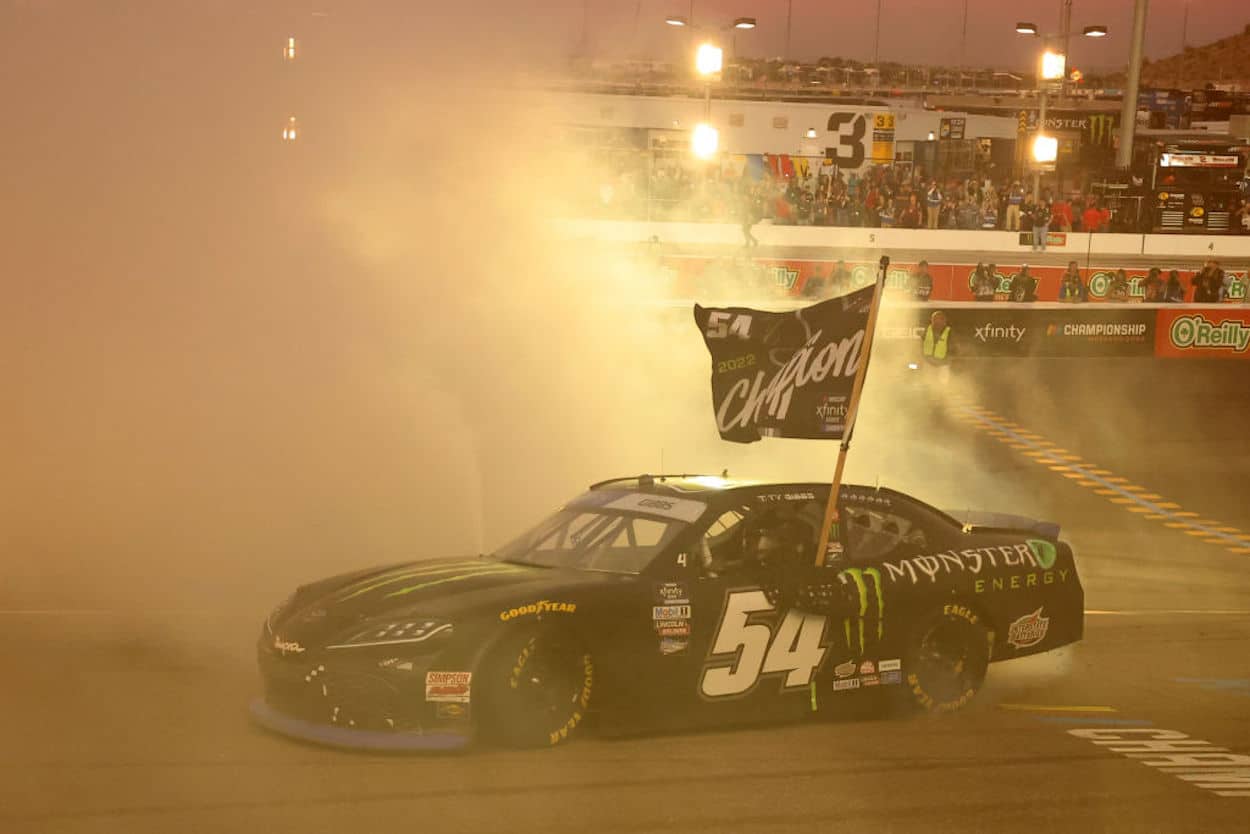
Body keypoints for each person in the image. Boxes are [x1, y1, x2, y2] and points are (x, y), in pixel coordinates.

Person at [921, 310, 952, 387]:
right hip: (928, 364)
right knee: (927, 385)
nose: (937, 321)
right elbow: (920, 344)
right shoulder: (926, 330)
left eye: (940, 319)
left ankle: (942, 398)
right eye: (934, 319)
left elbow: (954, 348)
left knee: (942, 386)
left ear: (944, 321)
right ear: (931, 320)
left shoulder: (949, 332)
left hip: (943, 365)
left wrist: (948, 359)